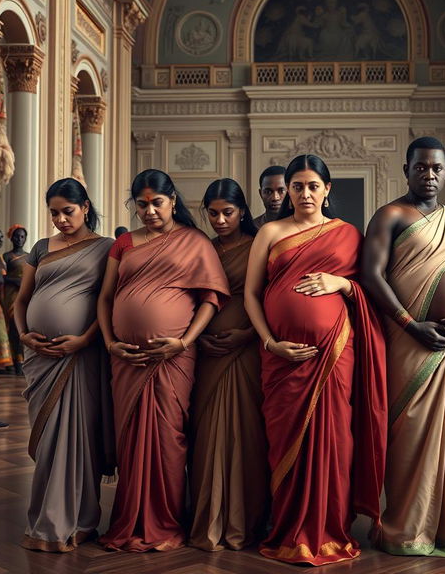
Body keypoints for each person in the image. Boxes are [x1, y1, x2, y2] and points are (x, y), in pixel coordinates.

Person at [244, 154, 387, 566]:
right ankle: (290, 531)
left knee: (336, 440)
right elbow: (252, 294)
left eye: (313, 186)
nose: (305, 193)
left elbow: (366, 288)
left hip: (335, 354)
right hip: (282, 361)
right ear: (286, 191)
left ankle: (329, 531)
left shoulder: (347, 234)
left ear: (327, 190)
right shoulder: (270, 232)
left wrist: (340, 282)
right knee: (284, 441)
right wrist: (271, 344)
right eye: (297, 186)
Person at [361, 137, 445, 558]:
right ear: (406, 170)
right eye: (421, 168)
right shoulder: (391, 215)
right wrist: (410, 324)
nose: (429, 175)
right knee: (412, 432)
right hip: (410, 341)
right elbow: (371, 275)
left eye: (436, 168)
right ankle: (407, 527)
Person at [97, 169, 229, 552]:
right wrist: (110, 343)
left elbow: (210, 299)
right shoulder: (123, 243)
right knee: (131, 441)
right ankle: (129, 519)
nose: (150, 210)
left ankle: (166, 520)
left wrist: (184, 341)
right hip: (127, 359)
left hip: (174, 358)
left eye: (158, 202)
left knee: (169, 438)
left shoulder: (194, 241)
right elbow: (105, 298)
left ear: (173, 200)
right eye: (142, 204)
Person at [13, 178, 115, 552]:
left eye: (67, 211)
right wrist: (24, 335)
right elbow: (22, 300)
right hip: (40, 359)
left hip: (81, 357)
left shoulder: (106, 248)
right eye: (54, 212)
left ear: (85, 207)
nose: (60, 219)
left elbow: (108, 302)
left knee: (78, 439)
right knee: (48, 442)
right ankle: (47, 518)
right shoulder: (41, 248)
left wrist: (85, 339)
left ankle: (80, 520)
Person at [189, 178, 267, 551]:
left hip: (247, 349)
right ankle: (207, 518)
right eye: (213, 213)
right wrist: (194, 336)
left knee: (247, 433)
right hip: (205, 352)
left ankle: (245, 521)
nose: (219, 220)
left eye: (228, 212)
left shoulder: (258, 245)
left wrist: (247, 335)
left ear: (242, 212)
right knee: (205, 436)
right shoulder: (200, 247)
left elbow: (269, 298)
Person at [3, 224, 28, 374]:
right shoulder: (6, 256)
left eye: (22, 236)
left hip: (25, 295)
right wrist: (15, 281)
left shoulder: (30, 255)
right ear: (11, 238)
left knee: (23, 326)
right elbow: (2, 276)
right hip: (11, 295)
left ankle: (22, 359)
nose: (19, 239)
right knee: (12, 325)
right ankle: (12, 361)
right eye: (17, 236)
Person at [0, 227, 12, 374]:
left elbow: (0, 278)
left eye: (1, 238)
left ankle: (2, 364)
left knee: (0, 331)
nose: (0, 240)